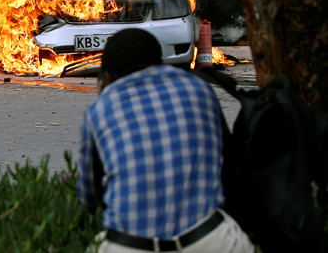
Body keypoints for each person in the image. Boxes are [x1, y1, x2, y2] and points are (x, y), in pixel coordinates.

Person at [77, 28, 255, 252]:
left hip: (130, 245)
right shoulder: (198, 88)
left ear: (108, 76)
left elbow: (89, 198)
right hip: (208, 239)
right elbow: (230, 166)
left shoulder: (99, 110)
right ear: (159, 62)